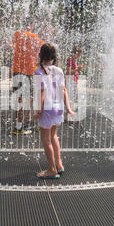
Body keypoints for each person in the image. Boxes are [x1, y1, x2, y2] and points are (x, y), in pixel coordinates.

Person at [33, 43, 75, 179]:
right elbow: (64, 90)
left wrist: (38, 110)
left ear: (40, 56)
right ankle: (59, 164)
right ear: (54, 57)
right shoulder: (59, 70)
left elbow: (42, 92)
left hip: (47, 109)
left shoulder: (38, 71)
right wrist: (68, 108)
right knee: (54, 136)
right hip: (58, 108)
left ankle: (52, 169)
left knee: (46, 141)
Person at [11, 20, 44, 135]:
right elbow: (44, 49)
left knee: (19, 100)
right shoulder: (35, 38)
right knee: (30, 99)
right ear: (31, 25)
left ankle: (19, 125)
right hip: (29, 72)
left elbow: (13, 47)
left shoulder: (16, 34)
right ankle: (29, 124)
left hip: (16, 71)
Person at [65, 46, 85, 119]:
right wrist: (77, 69)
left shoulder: (73, 60)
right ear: (74, 53)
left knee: (72, 99)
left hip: (73, 82)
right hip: (70, 82)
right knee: (70, 99)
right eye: (78, 54)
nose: (79, 56)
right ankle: (69, 116)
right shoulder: (69, 60)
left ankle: (70, 115)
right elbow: (67, 72)